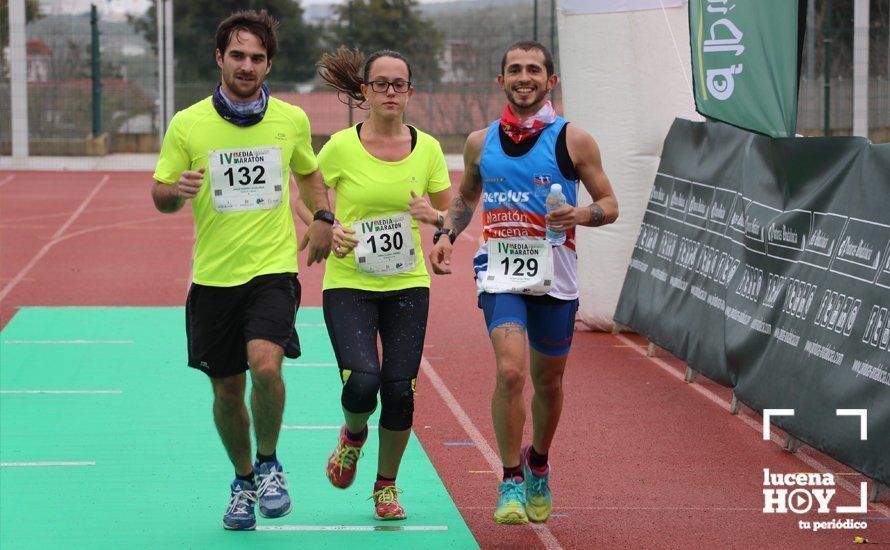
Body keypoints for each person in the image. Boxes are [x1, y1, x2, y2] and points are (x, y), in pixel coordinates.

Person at [150, 10, 333, 531]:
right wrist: (175, 192)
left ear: (269, 62)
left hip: (272, 269)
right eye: (238, 55)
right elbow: (160, 193)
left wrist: (322, 216)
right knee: (227, 393)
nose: (247, 65)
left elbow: (310, 175)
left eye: (257, 57)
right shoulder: (187, 123)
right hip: (212, 278)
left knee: (267, 366)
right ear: (220, 58)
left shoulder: (291, 120)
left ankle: (271, 462)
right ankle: (243, 479)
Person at [429, 40, 618, 525]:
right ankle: (511, 478)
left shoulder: (573, 140)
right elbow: (466, 197)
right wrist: (448, 233)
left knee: (548, 382)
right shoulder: (480, 141)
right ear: (502, 81)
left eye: (534, 69)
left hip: (557, 276)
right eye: (515, 69)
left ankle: (538, 462)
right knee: (511, 372)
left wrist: (580, 213)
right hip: (501, 272)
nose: (524, 77)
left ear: (550, 81)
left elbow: (611, 204)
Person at [315, 46, 452, 520]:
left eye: (399, 85)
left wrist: (436, 224)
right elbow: (307, 195)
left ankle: (386, 486)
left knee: (399, 391)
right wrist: (327, 227)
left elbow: (449, 215)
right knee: (363, 383)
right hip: (349, 281)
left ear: (410, 92)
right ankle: (352, 436)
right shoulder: (339, 147)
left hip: (407, 284)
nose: (390, 92)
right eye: (380, 84)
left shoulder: (429, 148)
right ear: (364, 92)